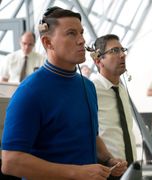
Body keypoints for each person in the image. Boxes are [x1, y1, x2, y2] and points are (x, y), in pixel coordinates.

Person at [1, 7, 126, 180]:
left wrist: (108, 159)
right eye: (71, 34)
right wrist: (77, 172)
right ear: (47, 43)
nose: (82, 40)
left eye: (81, 33)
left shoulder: (88, 87)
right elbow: (11, 162)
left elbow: (91, 136)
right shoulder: (30, 92)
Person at [88, 34, 136, 179]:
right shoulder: (91, 88)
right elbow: (88, 133)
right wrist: (107, 160)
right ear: (98, 60)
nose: (122, 55)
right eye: (115, 51)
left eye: (123, 50)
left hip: (128, 169)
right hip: (105, 170)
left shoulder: (122, 89)